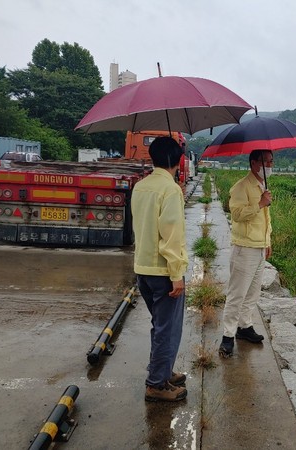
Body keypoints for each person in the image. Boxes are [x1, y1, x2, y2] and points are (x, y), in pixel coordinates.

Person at [132, 136, 189, 402]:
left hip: (143, 269)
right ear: (177, 160)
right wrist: (176, 274)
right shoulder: (171, 190)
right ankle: (156, 383)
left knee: (160, 325)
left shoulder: (141, 186)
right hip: (164, 272)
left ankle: (162, 371)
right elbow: (172, 235)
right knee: (168, 328)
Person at [219, 149, 273, 357]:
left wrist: (267, 241)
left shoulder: (262, 185)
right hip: (245, 247)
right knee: (237, 294)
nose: (270, 165)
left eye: (271, 161)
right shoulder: (241, 187)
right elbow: (237, 214)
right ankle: (227, 336)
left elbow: (265, 220)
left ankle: (245, 327)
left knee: (252, 292)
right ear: (253, 163)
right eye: (265, 161)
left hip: (259, 247)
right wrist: (259, 203)